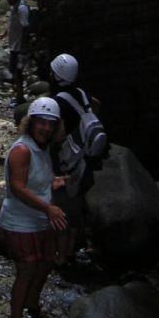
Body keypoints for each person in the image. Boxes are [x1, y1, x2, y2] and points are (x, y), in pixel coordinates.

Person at [0, 97, 67, 318]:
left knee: (45, 264)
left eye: (50, 124)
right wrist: (48, 208)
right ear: (31, 123)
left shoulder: (43, 148)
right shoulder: (22, 150)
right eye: (41, 123)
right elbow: (18, 188)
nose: (45, 128)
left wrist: (54, 183)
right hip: (20, 222)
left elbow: (36, 181)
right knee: (27, 270)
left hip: (40, 219)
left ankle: (32, 303)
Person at [48, 52, 108, 264]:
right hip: (88, 156)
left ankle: (62, 255)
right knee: (77, 204)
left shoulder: (58, 102)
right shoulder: (81, 92)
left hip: (70, 161)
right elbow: (96, 105)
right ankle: (73, 249)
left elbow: (57, 135)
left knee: (63, 207)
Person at [4, 0, 30, 105]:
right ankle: (18, 95)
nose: (7, 0)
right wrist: (4, 33)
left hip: (19, 47)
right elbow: (12, 23)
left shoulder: (21, 8)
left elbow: (25, 27)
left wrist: (24, 47)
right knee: (15, 71)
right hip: (14, 45)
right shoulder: (15, 7)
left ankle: (20, 98)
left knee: (18, 72)